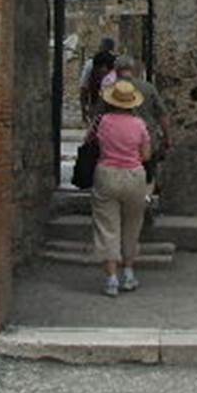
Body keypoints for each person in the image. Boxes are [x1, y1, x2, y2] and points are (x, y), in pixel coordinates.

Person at [87, 77, 151, 297]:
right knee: (132, 225)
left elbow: (89, 141)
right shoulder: (140, 124)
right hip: (134, 176)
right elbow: (146, 155)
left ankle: (112, 278)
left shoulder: (102, 121)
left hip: (106, 174)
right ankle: (129, 273)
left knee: (107, 226)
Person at [78, 36, 116, 113]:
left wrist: (84, 109)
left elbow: (83, 88)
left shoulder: (91, 64)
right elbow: (83, 88)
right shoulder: (91, 64)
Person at [80, 50, 116, 123]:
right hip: (95, 96)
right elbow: (83, 90)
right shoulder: (89, 67)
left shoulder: (113, 75)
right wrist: (84, 111)